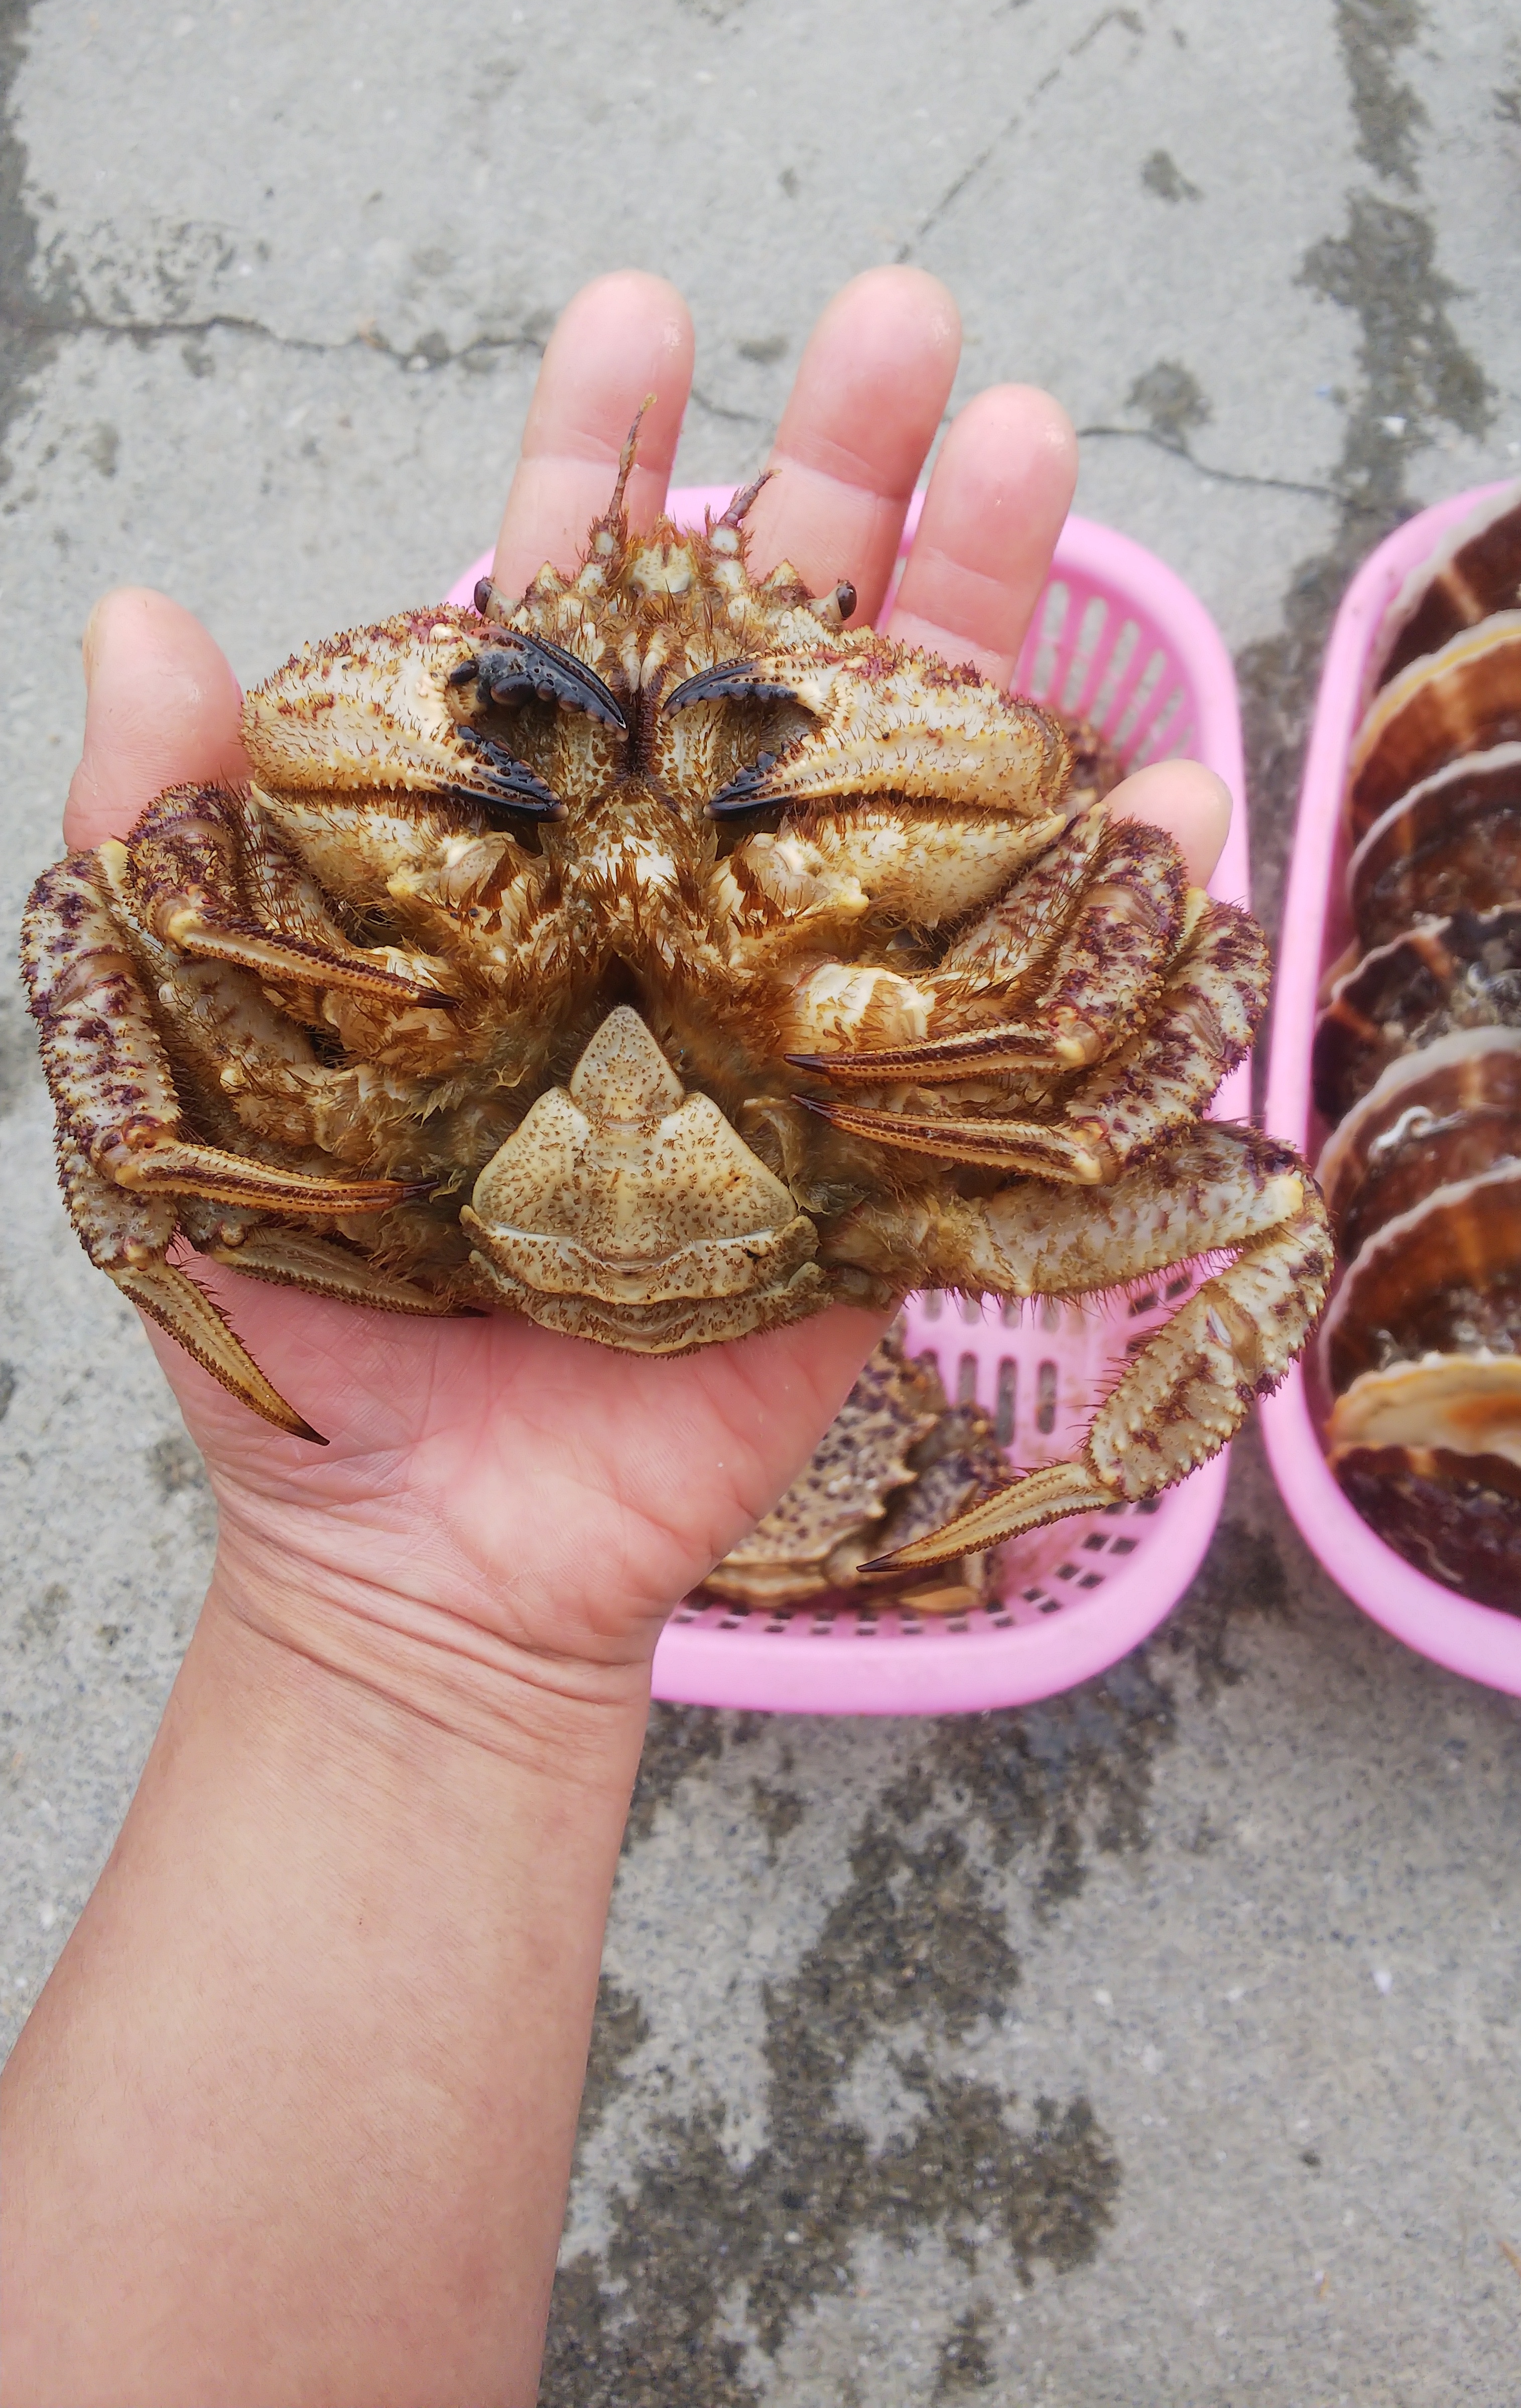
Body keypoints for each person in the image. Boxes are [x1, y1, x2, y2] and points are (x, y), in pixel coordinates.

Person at [0, 267, 1229, 2407]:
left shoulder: (938, 1008)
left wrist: (1010, 1070)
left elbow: (1147, 994)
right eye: (551, 721)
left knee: (1223, 1073)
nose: (656, 774)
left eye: (752, 721)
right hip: (397, 1171)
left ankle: (1071, 1491)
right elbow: (160, 904)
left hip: (874, 1165)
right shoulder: (375, 955)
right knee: (121, 882)